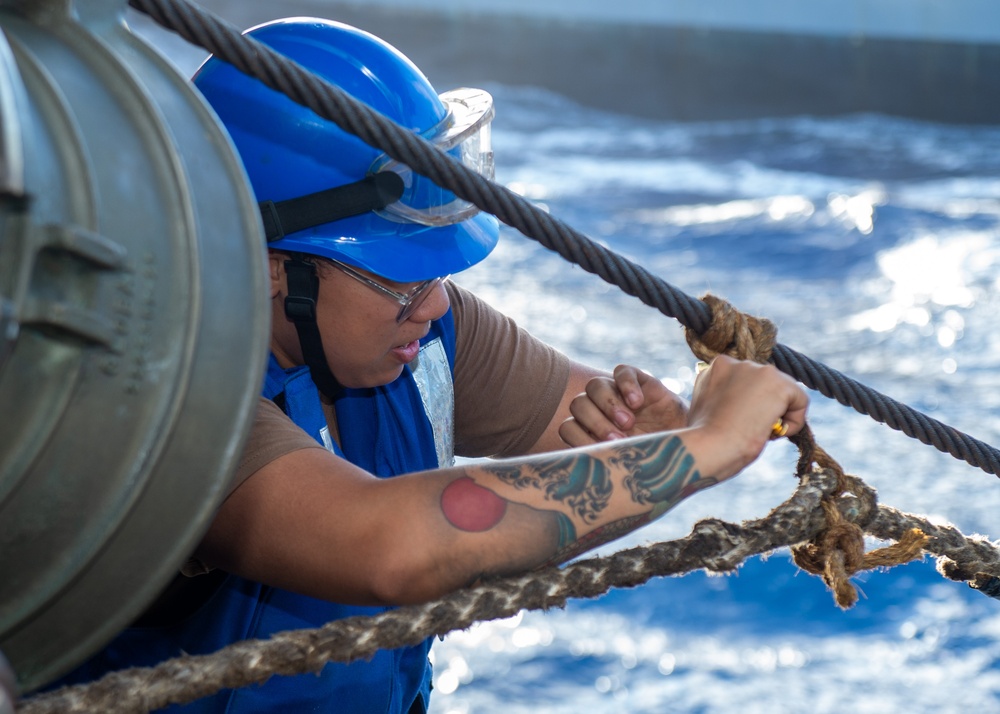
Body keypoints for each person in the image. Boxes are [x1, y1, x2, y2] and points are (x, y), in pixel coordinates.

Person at [51, 17, 808, 713]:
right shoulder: (165, 397)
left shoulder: (416, 329)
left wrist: (660, 429)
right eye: (404, 279)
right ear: (273, 267)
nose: (438, 307)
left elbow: (583, 431)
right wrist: (702, 448)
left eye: (440, 276)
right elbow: (389, 547)